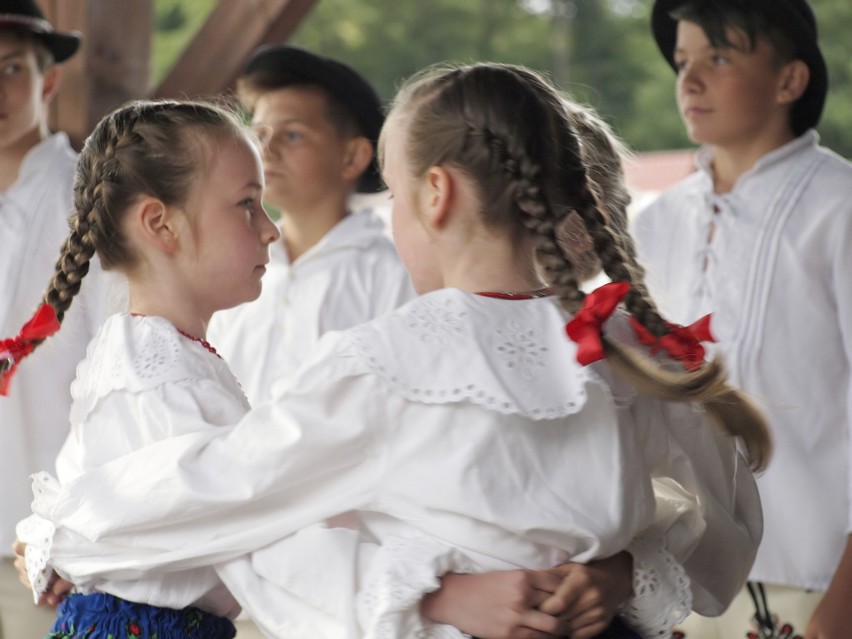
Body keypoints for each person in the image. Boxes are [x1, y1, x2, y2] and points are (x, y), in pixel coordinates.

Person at [15, 64, 769, 638]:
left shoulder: (388, 362)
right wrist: (621, 569)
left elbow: (228, 492)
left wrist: (65, 524)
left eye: (396, 199)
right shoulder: (627, 347)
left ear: (435, 196)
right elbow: (722, 542)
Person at [631, 1, 852, 638]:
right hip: (679, 571)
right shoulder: (654, 223)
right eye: (682, 61)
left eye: (718, 58)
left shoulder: (838, 211)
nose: (689, 81)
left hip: (816, 575)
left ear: (790, 81)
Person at [0, 2, 120, 637]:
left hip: (43, 548)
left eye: (9, 69)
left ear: (47, 81)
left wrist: (85, 530)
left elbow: (125, 375)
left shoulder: (91, 204)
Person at [207, 45, 414, 406]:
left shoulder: (392, 274)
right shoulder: (232, 264)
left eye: (293, 135)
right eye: (259, 134)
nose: (266, 151)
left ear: (352, 156)